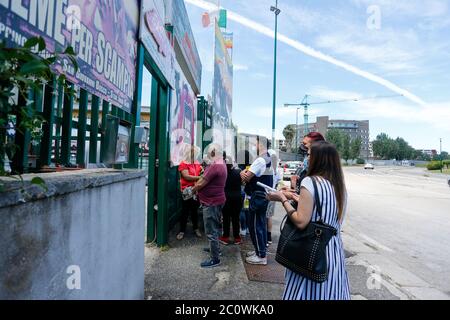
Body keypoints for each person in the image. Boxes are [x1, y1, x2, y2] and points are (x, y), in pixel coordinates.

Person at [267, 141, 350, 300]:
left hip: (310, 253)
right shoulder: (340, 188)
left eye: (310, 155)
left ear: (319, 159)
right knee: (330, 293)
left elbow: (300, 221)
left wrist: (282, 198)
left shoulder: (310, 182)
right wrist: (299, 200)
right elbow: (329, 217)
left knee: (305, 293)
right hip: (333, 253)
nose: (307, 158)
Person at [193, 143, 228, 268]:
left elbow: (200, 183)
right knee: (216, 227)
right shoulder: (220, 163)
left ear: (213, 152)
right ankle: (215, 249)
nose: (207, 153)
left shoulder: (215, 166)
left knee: (211, 230)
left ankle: (215, 259)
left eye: (208, 151)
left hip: (211, 202)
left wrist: (192, 190)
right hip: (216, 200)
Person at [241, 137, 273, 265]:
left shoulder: (260, 160)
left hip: (257, 197)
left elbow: (246, 178)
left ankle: (261, 256)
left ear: (261, 144)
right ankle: (259, 251)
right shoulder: (268, 158)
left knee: (255, 226)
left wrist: (242, 173)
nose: (255, 145)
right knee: (260, 225)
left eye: (256, 143)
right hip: (262, 196)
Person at [176, 145, 202, 240]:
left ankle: (196, 228)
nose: (197, 156)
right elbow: (186, 176)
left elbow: (201, 172)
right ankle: (182, 231)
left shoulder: (196, 163)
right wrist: (201, 178)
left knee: (195, 211)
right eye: (196, 154)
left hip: (195, 190)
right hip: (187, 191)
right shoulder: (183, 163)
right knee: (185, 212)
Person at [219, 156, 243, 245]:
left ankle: (225, 237)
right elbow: (242, 182)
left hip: (225, 197)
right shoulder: (238, 172)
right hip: (237, 197)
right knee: (236, 218)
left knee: (226, 218)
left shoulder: (222, 173)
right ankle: (237, 238)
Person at [265, 150, 282, 246]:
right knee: (269, 216)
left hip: (267, 194)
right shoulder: (277, 170)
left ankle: (265, 238)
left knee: (264, 216)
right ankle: (269, 237)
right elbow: (278, 183)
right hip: (274, 194)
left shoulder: (268, 169)